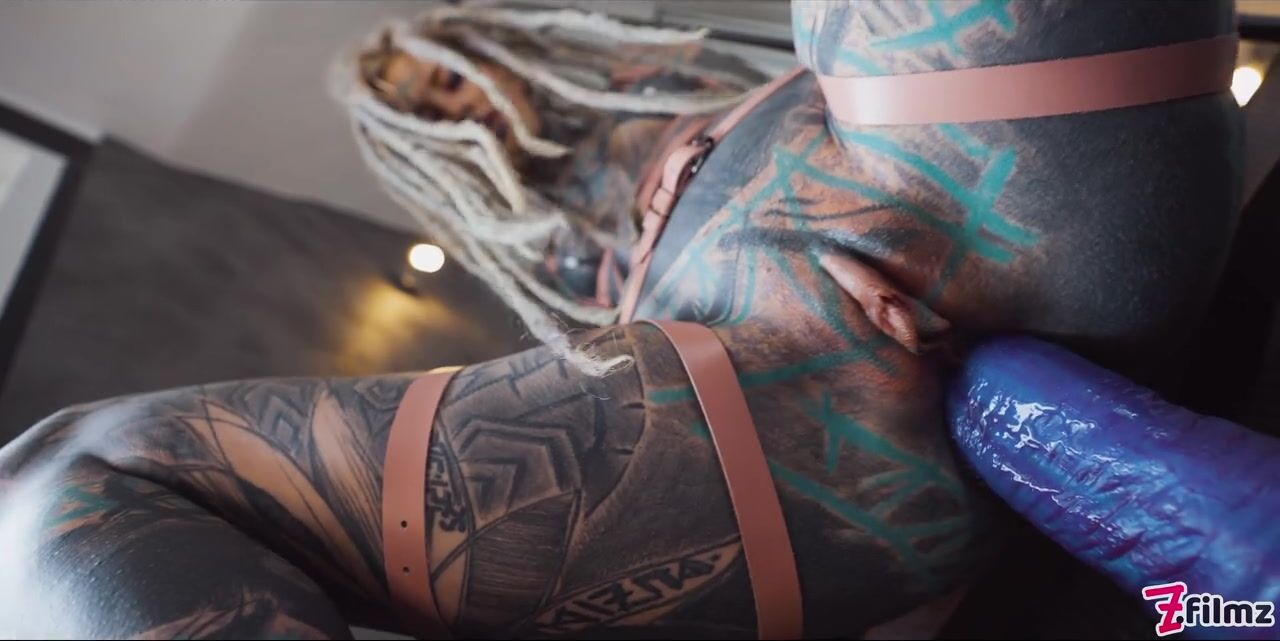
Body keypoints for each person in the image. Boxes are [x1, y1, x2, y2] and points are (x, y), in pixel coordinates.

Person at [0, 1, 1242, 638]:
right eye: (420, 103)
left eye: (440, 70)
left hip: (940, 169)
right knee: (66, 479)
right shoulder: (544, 240)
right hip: (803, 385)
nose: (452, 101)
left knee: (63, 478)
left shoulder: (644, 84)